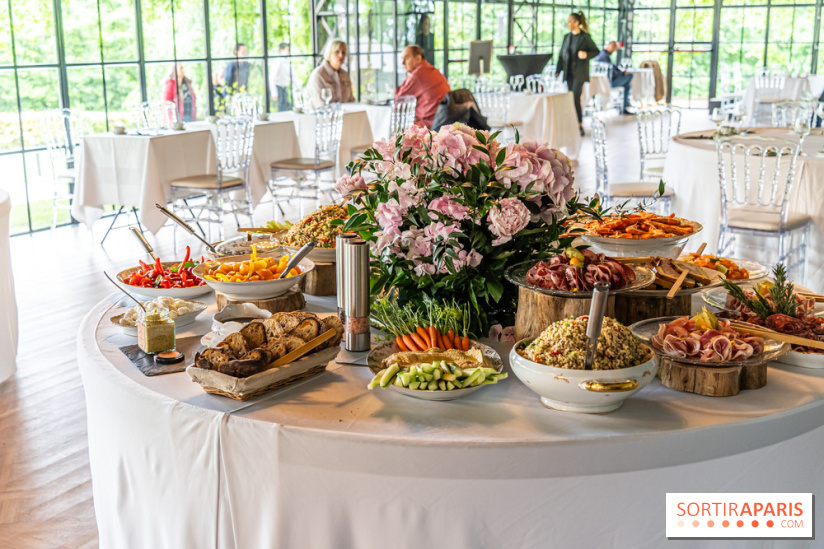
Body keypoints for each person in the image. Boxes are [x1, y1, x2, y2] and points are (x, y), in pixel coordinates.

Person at [555, 11, 600, 136]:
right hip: (568, 72)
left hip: (579, 73)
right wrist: (558, 71)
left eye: (570, 21)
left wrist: (586, 54)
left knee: (575, 97)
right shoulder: (566, 37)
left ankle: (579, 124)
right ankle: (572, 124)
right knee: (571, 98)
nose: (568, 23)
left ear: (576, 22)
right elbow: (561, 55)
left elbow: (596, 51)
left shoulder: (585, 37)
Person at [395, 45, 451, 128]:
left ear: (418, 58)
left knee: (399, 127)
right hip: (445, 119)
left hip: (431, 124)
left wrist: (408, 77)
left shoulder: (417, 75)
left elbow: (399, 99)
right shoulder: (431, 70)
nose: (403, 63)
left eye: (406, 58)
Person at [304, 39, 356, 109]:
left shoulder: (345, 74)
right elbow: (320, 105)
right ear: (329, 53)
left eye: (343, 52)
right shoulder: (318, 75)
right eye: (337, 52)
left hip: (344, 116)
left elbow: (351, 101)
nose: (341, 55)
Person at [594, 41, 633, 114]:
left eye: (614, 48)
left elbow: (612, 69)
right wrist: (622, 73)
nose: (613, 49)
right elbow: (612, 72)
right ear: (608, 46)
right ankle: (624, 107)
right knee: (630, 75)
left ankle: (624, 107)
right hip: (608, 82)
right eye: (612, 47)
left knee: (627, 85)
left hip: (606, 81)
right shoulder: (604, 56)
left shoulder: (602, 54)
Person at [270, 42, 293, 111]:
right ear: (281, 50)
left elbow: (293, 77)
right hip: (278, 89)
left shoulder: (287, 62)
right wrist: (274, 93)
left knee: (287, 108)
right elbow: (272, 78)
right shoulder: (278, 61)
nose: (288, 52)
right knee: (281, 109)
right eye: (287, 50)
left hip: (284, 89)